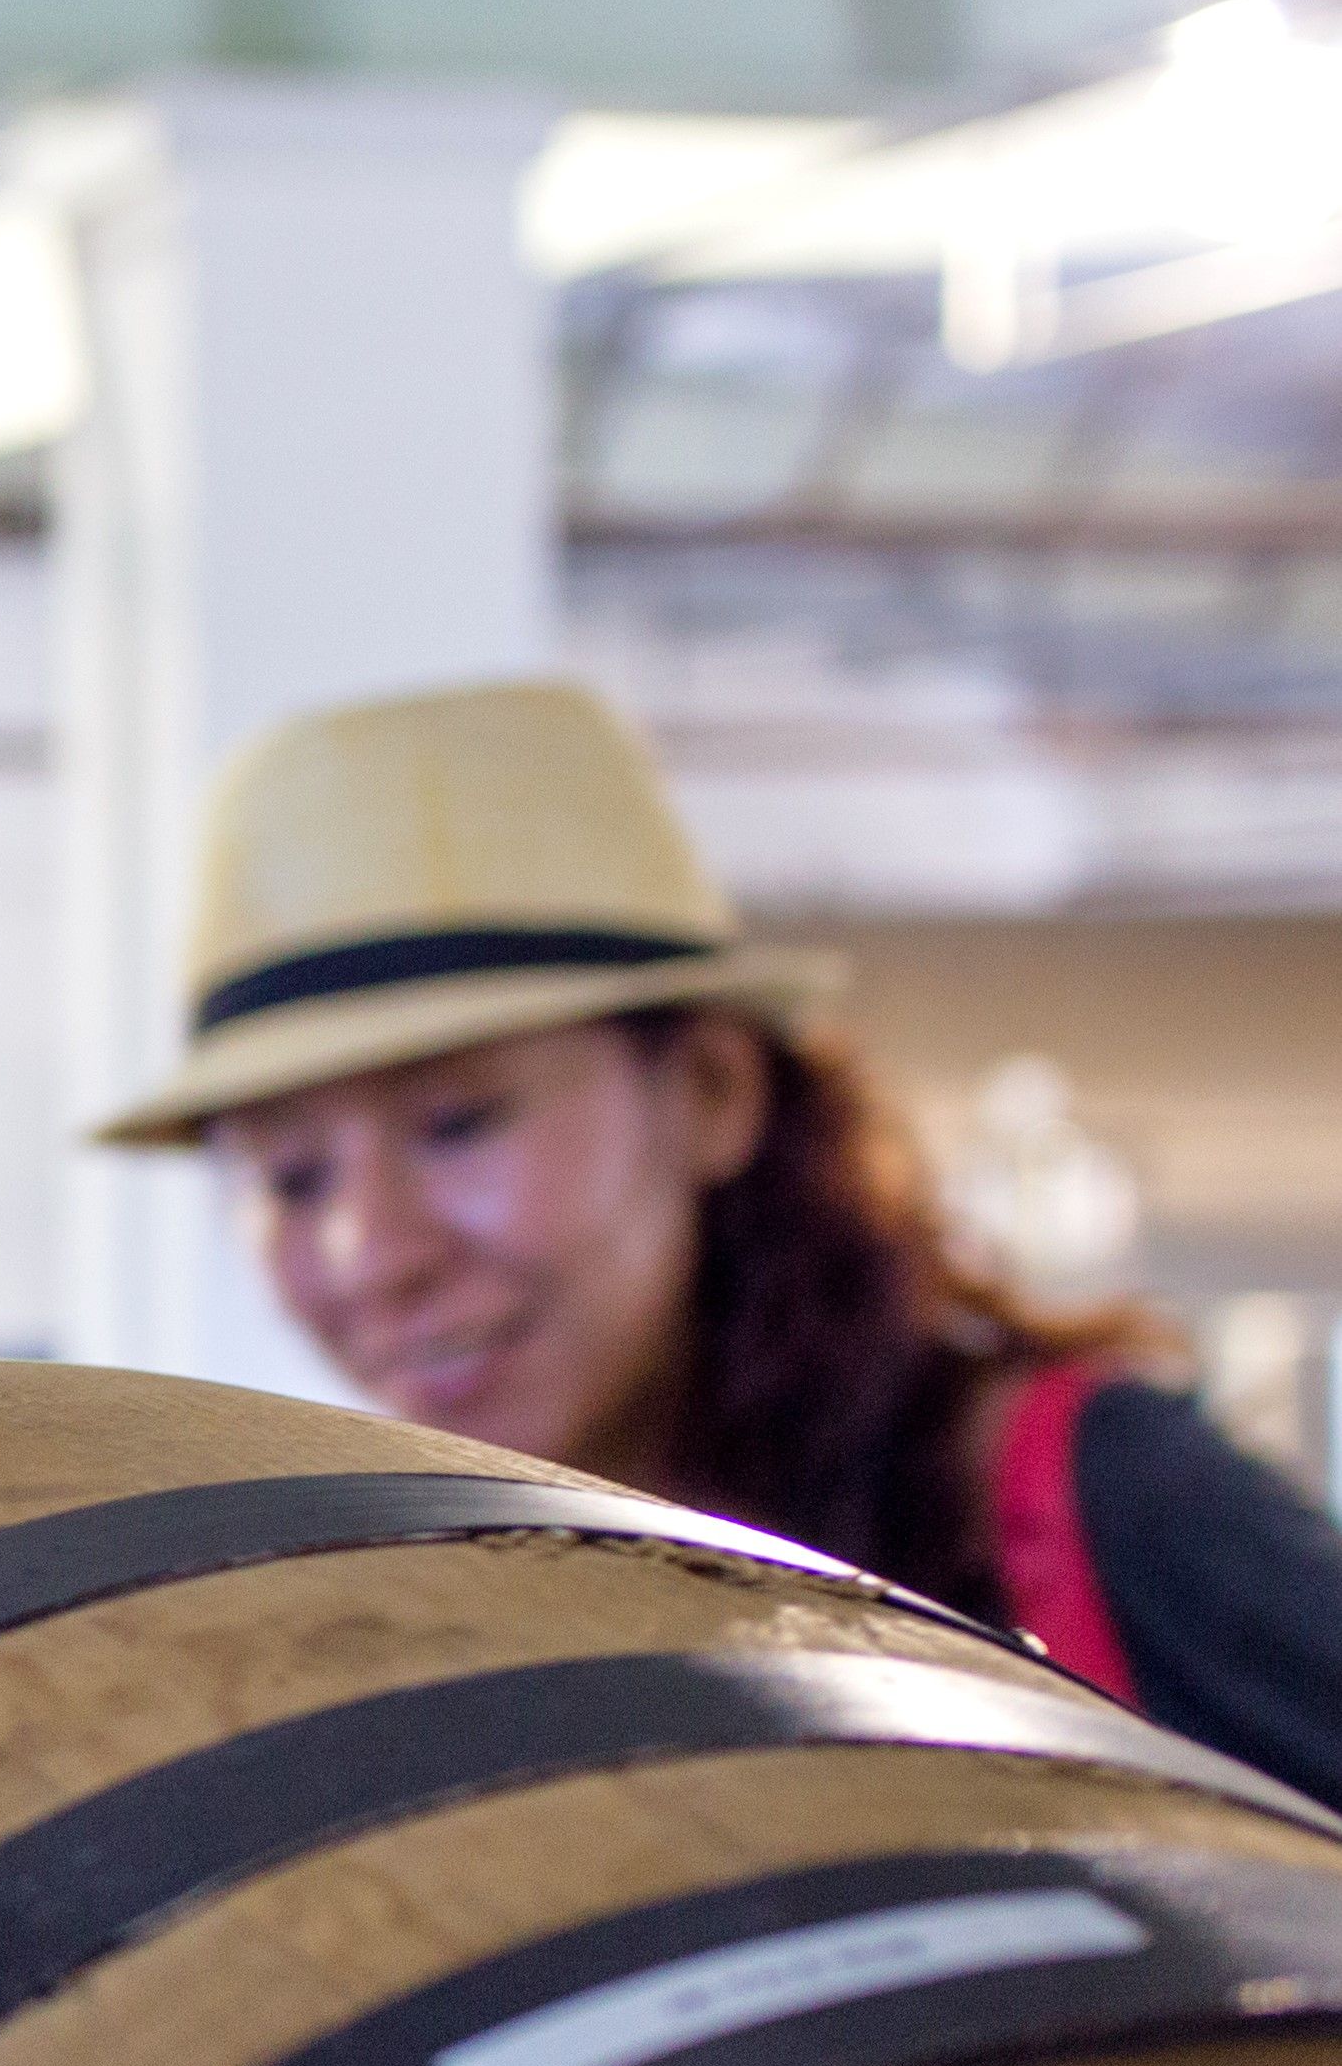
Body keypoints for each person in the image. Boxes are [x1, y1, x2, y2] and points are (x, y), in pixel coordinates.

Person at [103, 673, 1342, 1808]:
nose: (371, 1250)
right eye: (290, 1170)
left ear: (708, 1092)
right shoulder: (380, 1650)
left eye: (457, 1119)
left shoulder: (1090, 1497)